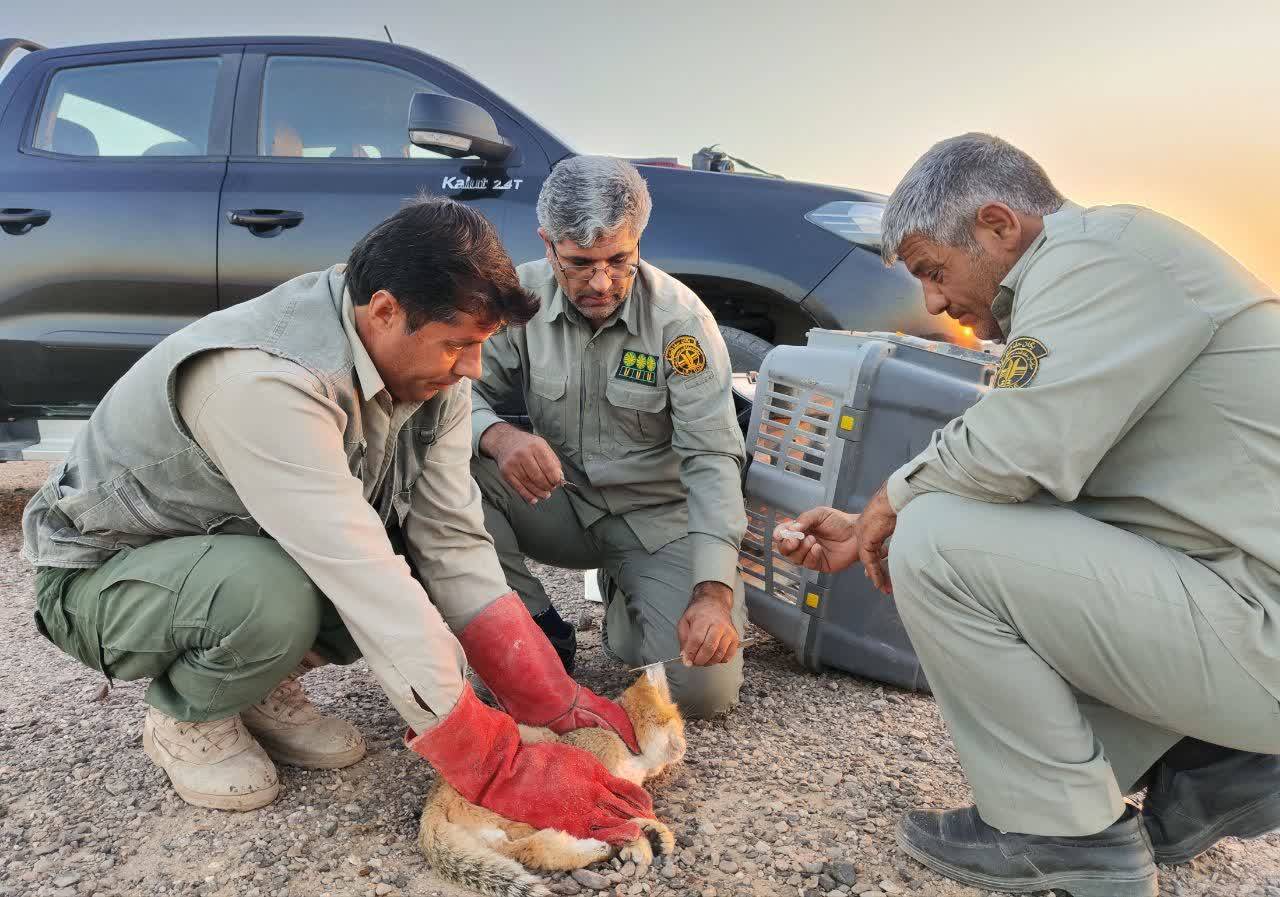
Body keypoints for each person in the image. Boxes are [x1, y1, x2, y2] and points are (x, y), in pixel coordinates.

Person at [23, 198, 653, 848]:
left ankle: (256, 682)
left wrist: (546, 693)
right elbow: (361, 575)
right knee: (274, 593)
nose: (473, 368)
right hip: (101, 578)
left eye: (482, 345)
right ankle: (188, 713)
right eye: (460, 345)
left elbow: (451, 541)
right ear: (384, 311)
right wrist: (497, 764)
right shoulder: (266, 380)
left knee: (401, 552)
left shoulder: (429, 362)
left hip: (237, 543)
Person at [775, 133, 1280, 897]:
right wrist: (873, 515)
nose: (935, 302)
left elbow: (1013, 451)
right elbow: (1027, 458)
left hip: (1258, 627)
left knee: (937, 537)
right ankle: (1210, 759)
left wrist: (889, 502)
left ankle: (1064, 837)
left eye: (934, 272)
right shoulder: (1116, 253)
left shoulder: (1088, 262)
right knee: (972, 519)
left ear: (998, 225)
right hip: (1245, 603)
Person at [470, 156, 748, 718]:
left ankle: (628, 592)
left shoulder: (681, 323)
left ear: (639, 242)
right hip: (559, 503)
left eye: (618, 260)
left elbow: (712, 456)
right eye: (578, 263)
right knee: (450, 469)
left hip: (657, 522)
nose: (600, 283)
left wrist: (714, 589)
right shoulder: (517, 299)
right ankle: (534, 628)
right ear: (548, 244)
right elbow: (451, 391)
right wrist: (498, 436)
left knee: (703, 692)